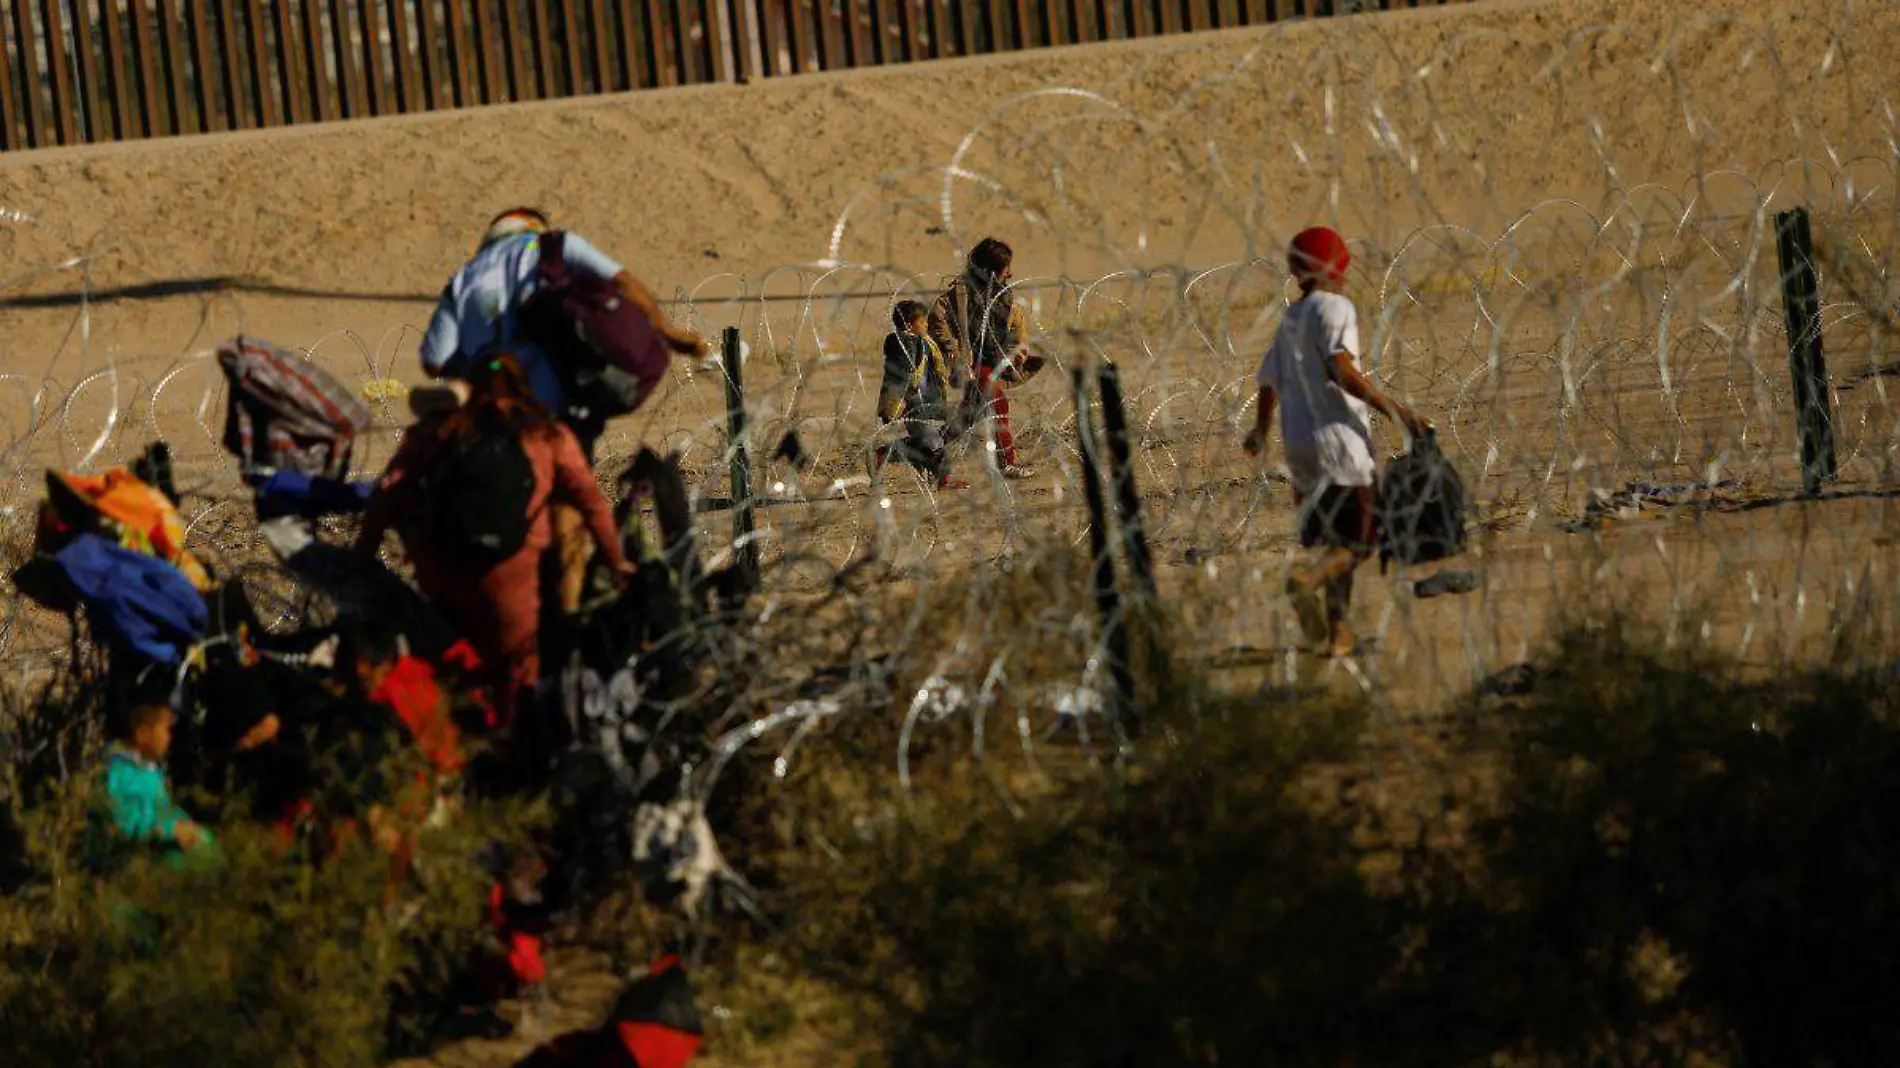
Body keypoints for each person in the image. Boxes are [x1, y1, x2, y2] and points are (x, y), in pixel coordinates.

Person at [418, 207, 705, 615]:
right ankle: (568, 610)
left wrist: (480, 359)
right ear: (534, 227)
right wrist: (667, 330)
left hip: (490, 420)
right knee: (570, 502)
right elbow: (624, 282)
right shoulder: (555, 247)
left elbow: (434, 359)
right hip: (553, 411)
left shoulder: (463, 279)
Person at [357, 355, 631, 748]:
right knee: (516, 681)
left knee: (449, 669)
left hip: (443, 571)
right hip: (514, 577)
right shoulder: (546, 435)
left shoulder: (439, 429)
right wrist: (617, 560)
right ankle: (509, 765)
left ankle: (449, 759)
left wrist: (363, 553)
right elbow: (591, 502)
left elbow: (388, 492)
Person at [1244, 226, 1431, 657]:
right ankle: (1305, 583)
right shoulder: (1336, 308)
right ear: (1337, 265)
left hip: (1300, 447)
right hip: (1340, 444)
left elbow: (1268, 383)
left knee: (1335, 545)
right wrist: (1396, 411)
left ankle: (1339, 633)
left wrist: (1260, 431)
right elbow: (1340, 368)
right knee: (1364, 540)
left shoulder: (1291, 318)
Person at [930, 237, 1041, 479]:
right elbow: (937, 317)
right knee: (998, 404)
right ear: (992, 270)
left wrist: (1019, 351)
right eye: (1005, 268)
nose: (1010, 273)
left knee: (968, 417)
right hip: (973, 365)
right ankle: (1006, 463)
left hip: (996, 361)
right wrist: (955, 352)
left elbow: (1016, 326)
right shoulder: (961, 293)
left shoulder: (1003, 296)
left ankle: (916, 447)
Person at [102, 697, 219, 869]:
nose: (169, 737)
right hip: (133, 861)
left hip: (157, 848)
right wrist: (172, 830)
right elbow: (125, 823)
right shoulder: (119, 772)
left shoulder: (150, 769)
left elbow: (163, 810)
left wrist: (184, 825)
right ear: (142, 733)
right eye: (166, 730)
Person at [874, 299, 966, 490]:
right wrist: (895, 403)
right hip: (913, 404)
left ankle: (887, 452)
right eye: (922, 322)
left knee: (953, 426)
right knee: (933, 442)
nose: (926, 324)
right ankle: (944, 480)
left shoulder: (923, 342)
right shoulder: (904, 345)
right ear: (909, 325)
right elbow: (900, 376)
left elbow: (932, 367)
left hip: (930, 400)